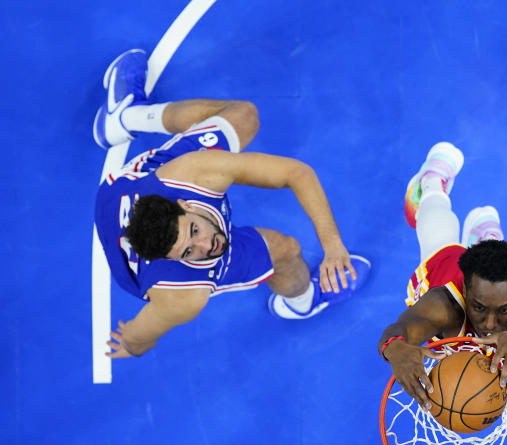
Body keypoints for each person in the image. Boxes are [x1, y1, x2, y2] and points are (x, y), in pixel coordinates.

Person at [93, 49, 370, 358]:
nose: (205, 246)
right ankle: (302, 302)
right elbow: (139, 337)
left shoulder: (192, 173)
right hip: (130, 243)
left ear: (184, 204)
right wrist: (131, 344)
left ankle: (123, 117)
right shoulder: (185, 294)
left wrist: (333, 246)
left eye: (194, 230)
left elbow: (296, 173)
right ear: (172, 259)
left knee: (243, 116)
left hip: (121, 189)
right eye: (187, 251)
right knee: (286, 250)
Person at [378, 143, 507, 408]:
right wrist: (395, 347)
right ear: (465, 291)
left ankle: (488, 236)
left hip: (506, 285)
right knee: (438, 240)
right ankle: (432, 184)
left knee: (497, 272)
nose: (490, 323)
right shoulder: (446, 302)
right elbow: (401, 330)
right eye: (479, 307)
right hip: (449, 267)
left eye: (505, 310)